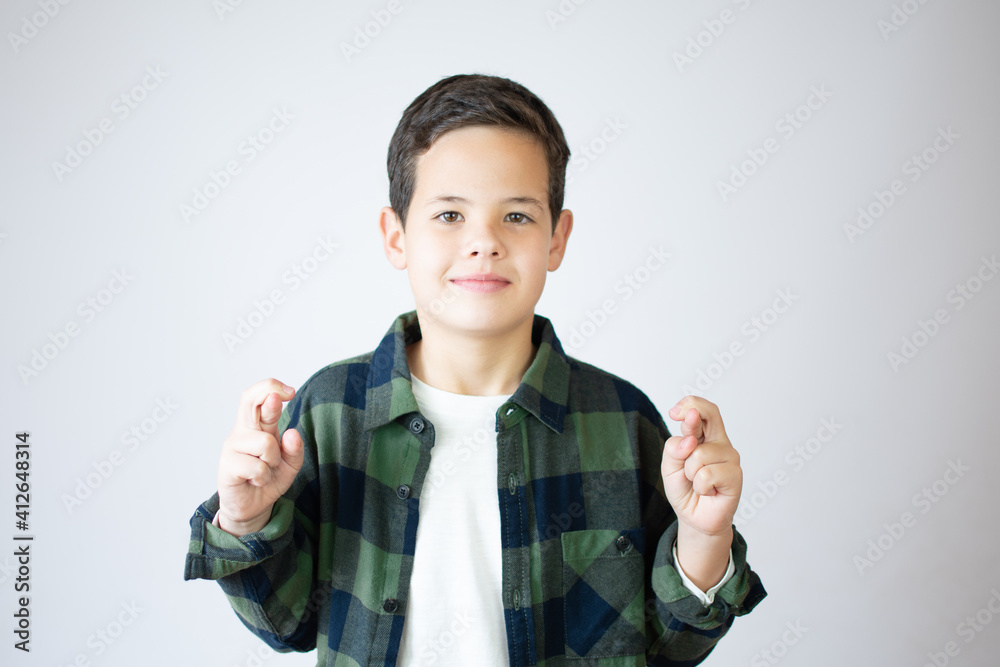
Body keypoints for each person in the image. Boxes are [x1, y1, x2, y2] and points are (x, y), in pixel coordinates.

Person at [183, 73, 766, 665]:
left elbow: (672, 646)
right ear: (395, 236)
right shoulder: (332, 413)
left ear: (557, 240)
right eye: (449, 215)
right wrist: (247, 516)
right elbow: (288, 623)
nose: (483, 241)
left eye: (516, 216)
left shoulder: (622, 420)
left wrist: (704, 537)